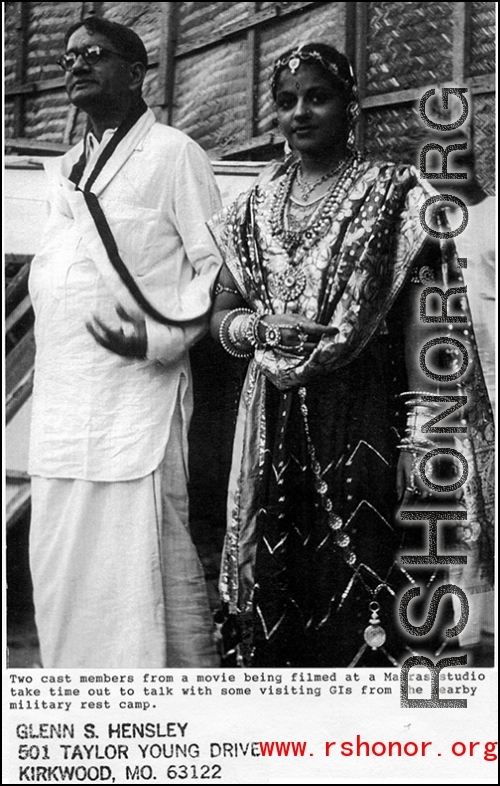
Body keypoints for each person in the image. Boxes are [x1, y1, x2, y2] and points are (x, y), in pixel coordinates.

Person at [208, 43, 494, 667]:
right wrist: (256, 331)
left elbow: (429, 319)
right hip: (276, 418)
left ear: (352, 107)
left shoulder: (396, 196)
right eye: (286, 103)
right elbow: (222, 311)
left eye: (319, 97)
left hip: (373, 409)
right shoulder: (252, 207)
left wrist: (424, 437)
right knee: (282, 578)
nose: (301, 113)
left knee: (371, 567)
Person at [28, 16, 221, 667]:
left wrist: (162, 337)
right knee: (62, 568)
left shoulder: (174, 153)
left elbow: (216, 269)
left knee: (144, 566)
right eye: (68, 57)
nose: (76, 65)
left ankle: (170, 717)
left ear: (136, 72)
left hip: (138, 395)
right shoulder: (64, 171)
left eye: (95, 55)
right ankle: (73, 711)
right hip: (61, 400)